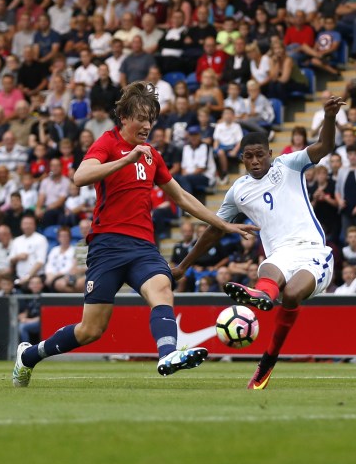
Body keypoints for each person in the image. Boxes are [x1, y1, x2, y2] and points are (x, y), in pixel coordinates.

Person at [13, 82, 258, 387]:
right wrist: (126, 159)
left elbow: (181, 197)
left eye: (151, 119)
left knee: (162, 288)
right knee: (91, 330)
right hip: (107, 245)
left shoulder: (152, 155)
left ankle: (167, 353)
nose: (146, 125)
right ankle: (29, 356)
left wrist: (224, 224)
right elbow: (80, 176)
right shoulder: (107, 142)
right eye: (141, 117)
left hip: (143, 245)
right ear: (125, 117)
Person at [172, 95, 347, 390]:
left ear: (269, 153)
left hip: (314, 253)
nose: (255, 161)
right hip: (280, 255)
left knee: (291, 294)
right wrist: (183, 267)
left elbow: (324, 147)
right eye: (249, 156)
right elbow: (214, 230)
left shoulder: (289, 164)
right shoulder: (238, 192)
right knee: (268, 268)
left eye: (260, 155)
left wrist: (329, 117)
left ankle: (268, 358)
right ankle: (262, 295)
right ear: (242, 158)